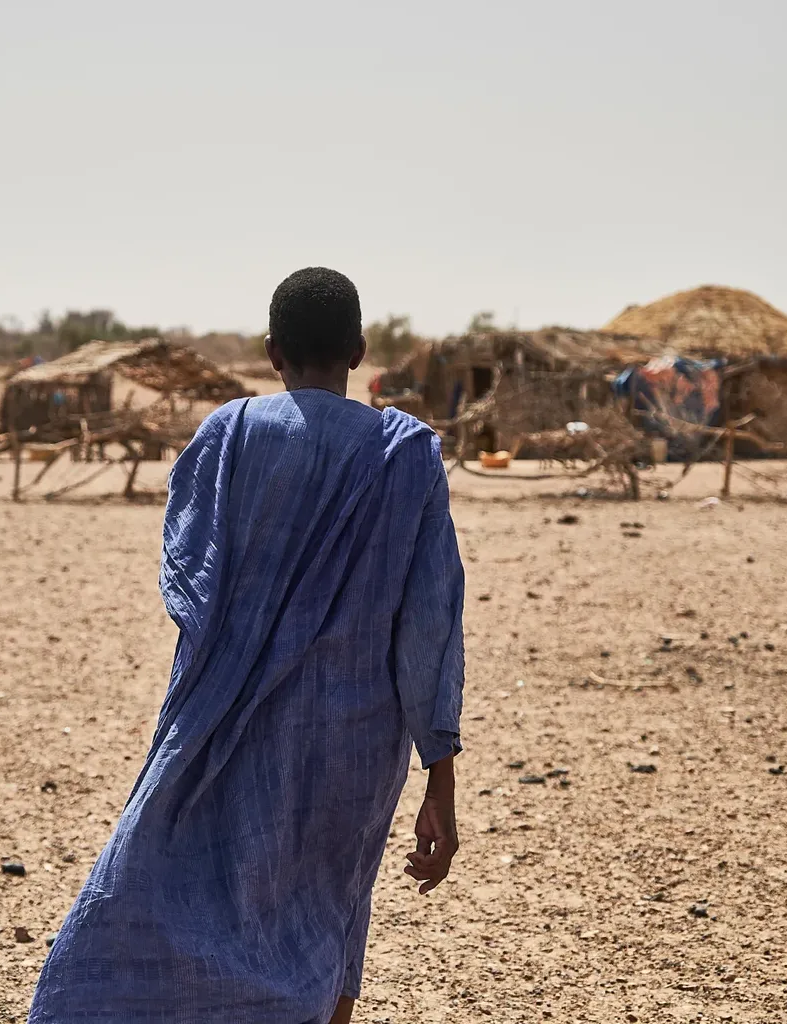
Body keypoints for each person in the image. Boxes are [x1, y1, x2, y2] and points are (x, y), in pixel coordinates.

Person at [29, 267, 465, 1024]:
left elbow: (190, 587)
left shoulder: (228, 434)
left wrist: (223, 683)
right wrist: (441, 781)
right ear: (359, 350)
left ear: (271, 353)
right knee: (327, 916)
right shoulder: (406, 452)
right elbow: (429, 625)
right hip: (354, 742)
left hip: (225, 718)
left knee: (174, 882)